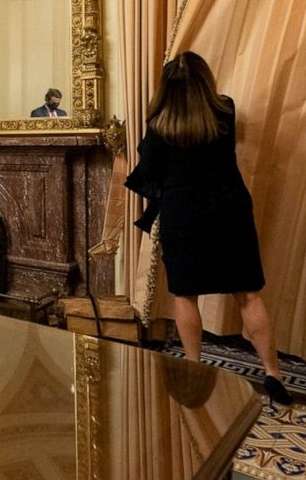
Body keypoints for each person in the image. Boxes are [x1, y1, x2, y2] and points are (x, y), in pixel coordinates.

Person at [125, 51, 292, 406]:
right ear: (206, 81)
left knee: (186, 295)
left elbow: (150, 174)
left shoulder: (158, 125)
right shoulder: (225, 110)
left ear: (167, 89)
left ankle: (195, 369)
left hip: (184, 214)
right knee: (248, 294)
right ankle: (273, 374)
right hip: (229, 209)